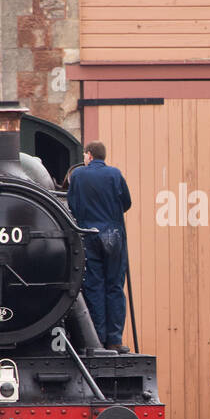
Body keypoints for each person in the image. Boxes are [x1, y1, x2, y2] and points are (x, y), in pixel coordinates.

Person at [66, 140, 132, 353]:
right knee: (114, 287)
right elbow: (127, 203)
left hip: (88, 234)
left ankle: (97, 339)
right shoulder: (115, 174)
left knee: (94, 285)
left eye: (85, 155)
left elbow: (72, 204)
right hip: (113, 234)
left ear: (89, 155)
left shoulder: (77, 176)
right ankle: (115, 339)